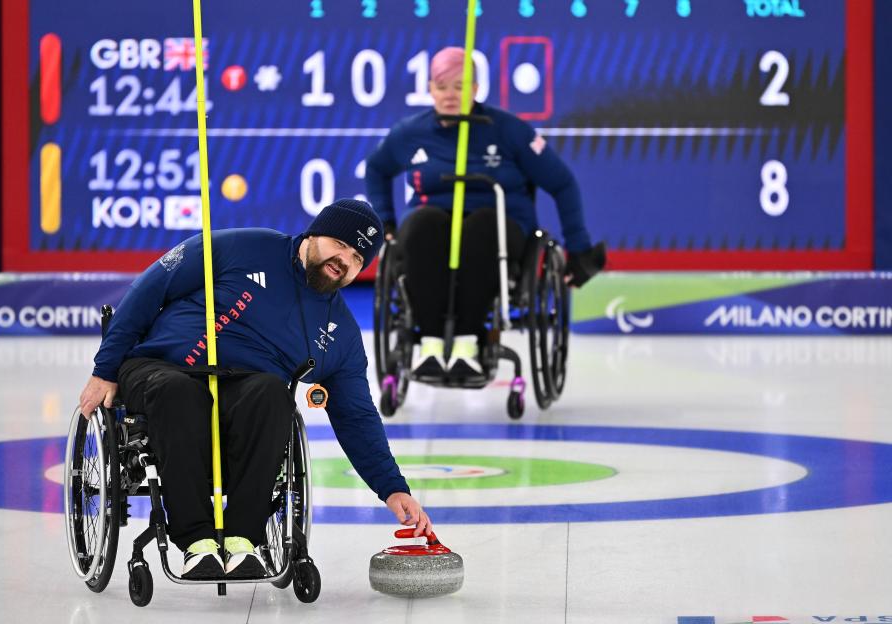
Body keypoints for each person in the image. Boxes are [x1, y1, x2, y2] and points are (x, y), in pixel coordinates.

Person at [78, 198, 431, 580]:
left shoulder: (340, 333)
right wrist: (105, 368)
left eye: (359, 258)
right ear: (314, 232)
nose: (345, 260)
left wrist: (393, 489)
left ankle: (242, 540)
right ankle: (197, 543)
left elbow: (356, 415)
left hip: (244, 389)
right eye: (340, 244)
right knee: (179, 391)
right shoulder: (241, 247)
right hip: (161, 366)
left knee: (273, 394)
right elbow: (150, 288)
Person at [365, 46, 605, 378]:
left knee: (481, 228)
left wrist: (578, 248)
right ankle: (431, 343)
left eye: (460, 86)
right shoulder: (410, 133)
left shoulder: (509, 130)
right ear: (430, 89)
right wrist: (385, 222)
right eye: (442, 86)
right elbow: (376, 169)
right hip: (433, 219)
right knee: (421, 226)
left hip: (499, 223)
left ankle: (468, 342)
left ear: (476, 89)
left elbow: (562, 182)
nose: (450, 94)